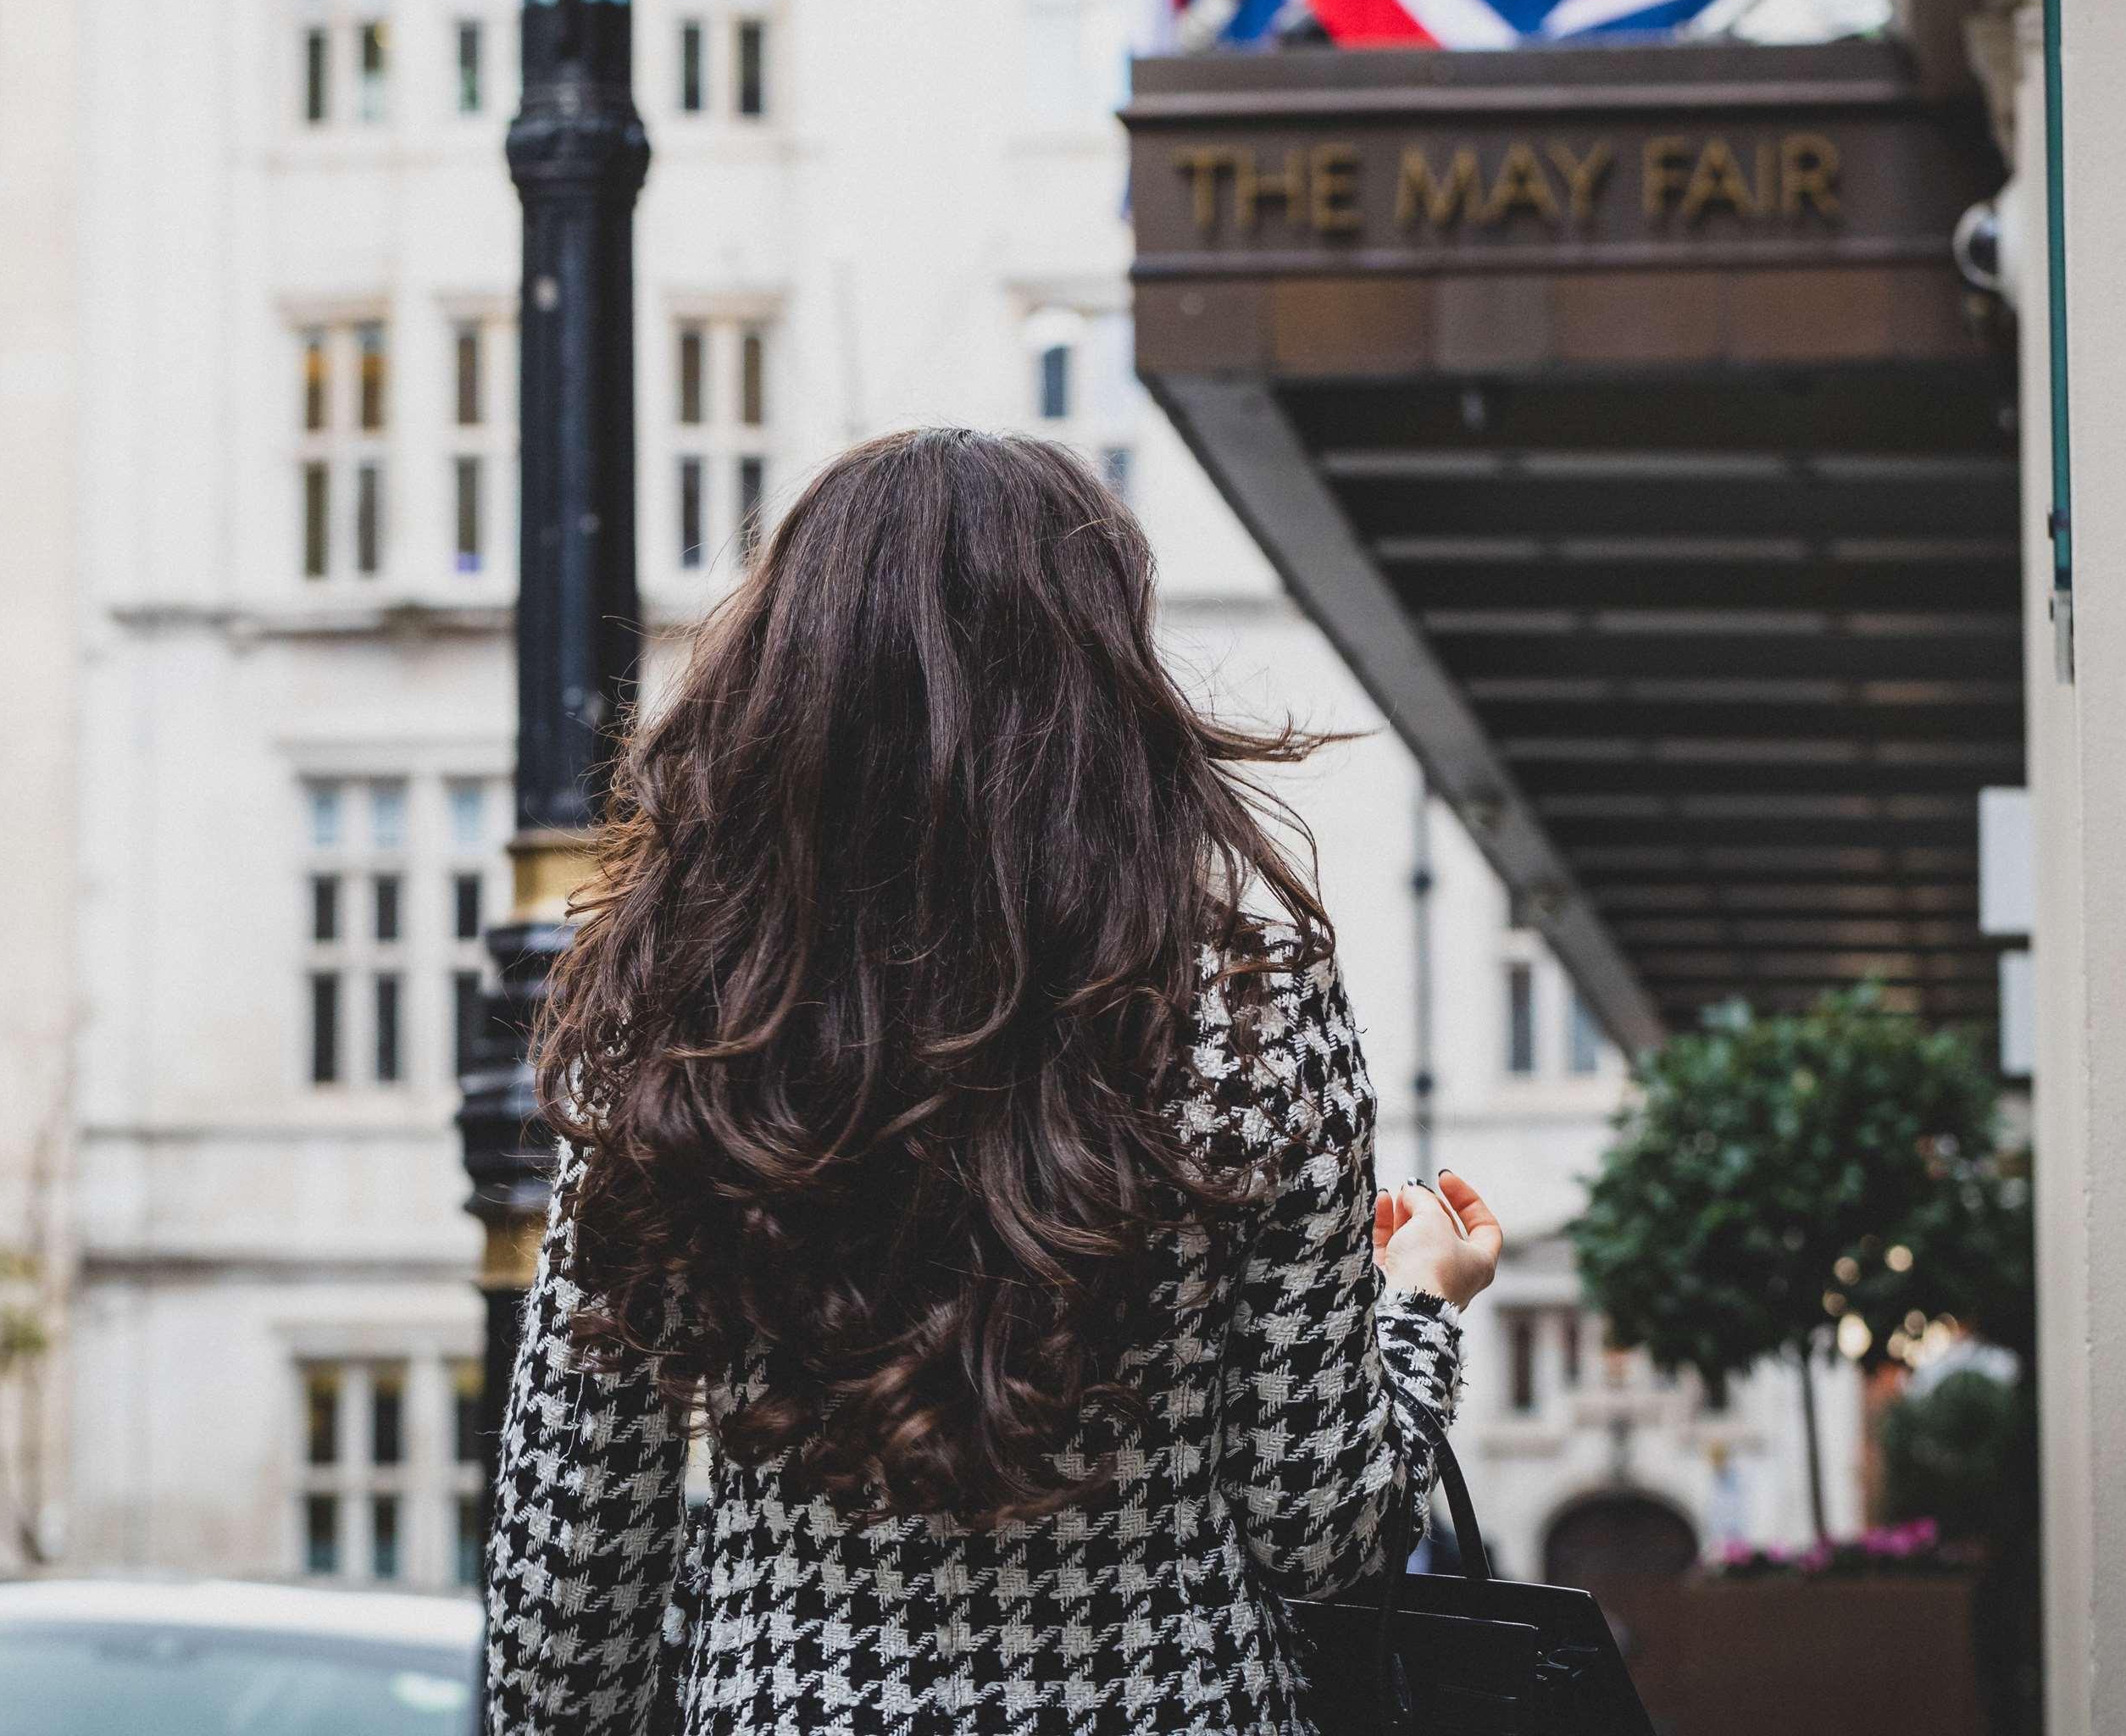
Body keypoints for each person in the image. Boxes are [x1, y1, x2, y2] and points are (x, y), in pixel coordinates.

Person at [485, 428, 1506, 1735]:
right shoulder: (1251, 1013)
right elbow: (1321, 1530)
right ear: (1104, 686)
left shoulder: (685, 1023)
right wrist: (1418, 1304)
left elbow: (568, 1583)